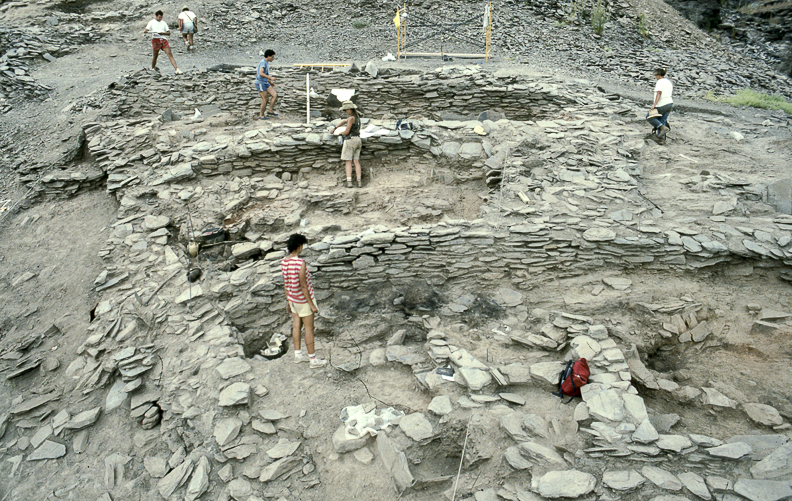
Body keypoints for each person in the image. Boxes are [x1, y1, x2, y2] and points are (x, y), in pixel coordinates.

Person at [281, 234, 327, 369]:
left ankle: (298, 355)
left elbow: (286, 283)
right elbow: (303, 286)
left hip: (293, 299)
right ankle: (313, 360)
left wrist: (288, 300)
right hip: (303, 300)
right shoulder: (300, 263)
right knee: (309, 329)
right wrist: (311, 305)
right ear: (299, 246)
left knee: (296, 326)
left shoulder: (284, 261)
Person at [339, 101, 362, 188]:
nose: (345, 112)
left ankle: (349, 182)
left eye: (345, 110)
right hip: (358, 140)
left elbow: (346, 131)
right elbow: (344, 121)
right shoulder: (357, 117)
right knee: (356, 161)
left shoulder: (351, 118)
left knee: (348, 161)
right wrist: (336, 126)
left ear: (349, 109)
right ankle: (359, 182)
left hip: (350, 140)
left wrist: (339, 133)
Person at [646, 68, 673, 142]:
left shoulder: (660, 82)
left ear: (659, 75)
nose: (656, 77)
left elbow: (659, 93)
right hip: (669, 103)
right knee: (662, 120)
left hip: (662, 103)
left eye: (656, 75)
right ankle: (661, 139)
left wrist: (654, 105)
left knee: (649, 117)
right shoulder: (668, 82)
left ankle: (662, 128)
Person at [255, 49, 278, 120]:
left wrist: (269, 82)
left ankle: (270, 110)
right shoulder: (263, 63)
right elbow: (261, 73)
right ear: (268, 56)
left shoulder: (266, 63)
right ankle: (261, 115)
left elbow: (264, 74)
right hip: (260, 83)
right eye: (272, 57)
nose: (273, 58)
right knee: (265, 99)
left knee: (275, 95)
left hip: (265, 82)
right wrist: (271, 78)